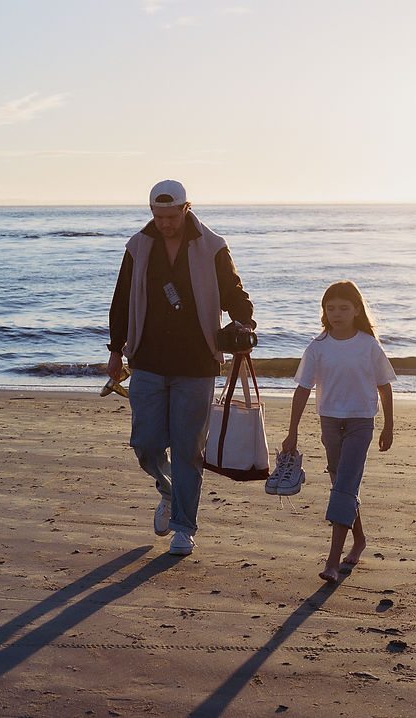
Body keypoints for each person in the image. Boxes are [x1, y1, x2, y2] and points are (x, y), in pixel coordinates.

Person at [107, 180, 256, 556]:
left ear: (187, 208)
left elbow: (235, 294)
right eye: (158, 216)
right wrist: (115, 350)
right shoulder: (138, 247)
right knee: (145, 444)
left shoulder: (212, 246)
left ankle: (183, 527)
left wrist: (244, 324)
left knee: (189, 450)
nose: (165, 223)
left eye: (171, 216)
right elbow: (121, 300)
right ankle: (169, 491)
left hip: (197, 363)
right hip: (148, 360)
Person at [280, 280, 396, 582]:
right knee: (342, 485)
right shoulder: (318, 347)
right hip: (329, 422)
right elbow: (302, 391)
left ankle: (332, 561)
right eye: (330, 308)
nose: (336, 313)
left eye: (343, 308)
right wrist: (291, 432)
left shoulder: (369, 345)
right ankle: (359, 540)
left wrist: (389, 426)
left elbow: (385, 387)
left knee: (343, 486)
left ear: (356, 310)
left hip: (360, 422)